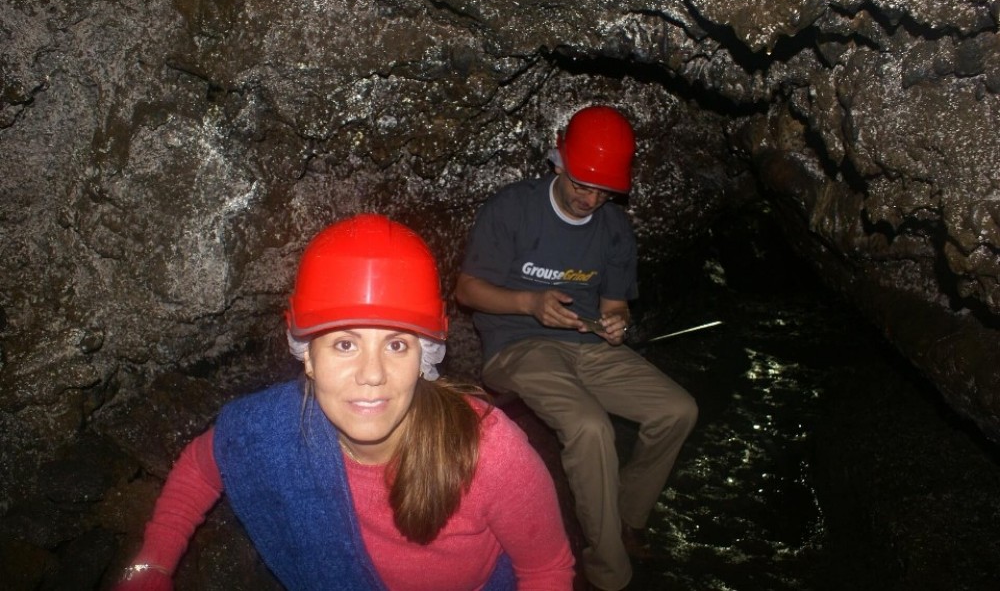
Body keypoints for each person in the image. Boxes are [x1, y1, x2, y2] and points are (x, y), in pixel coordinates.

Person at [114, 213, 574, 591]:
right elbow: (201, 466)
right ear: (307, 357)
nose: (372, 375)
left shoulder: (488, 451)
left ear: (424, 359)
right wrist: (151, 565)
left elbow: (547, 570)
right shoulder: (278, 424)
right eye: (344, 344)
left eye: (397, 345)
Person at [455, 105, 698, 591]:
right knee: (589, 427)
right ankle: (609, 571)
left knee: (678, 409)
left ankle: (625, 514)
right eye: (581, 184)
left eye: (602, 190)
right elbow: (466, 290)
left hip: (588, 346)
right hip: (518, 345)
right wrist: (530, 303)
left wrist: (616, 323)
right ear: (558, 164)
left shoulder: (614, 229)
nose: (590, 198)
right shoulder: (513, 208)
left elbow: (616, 305)